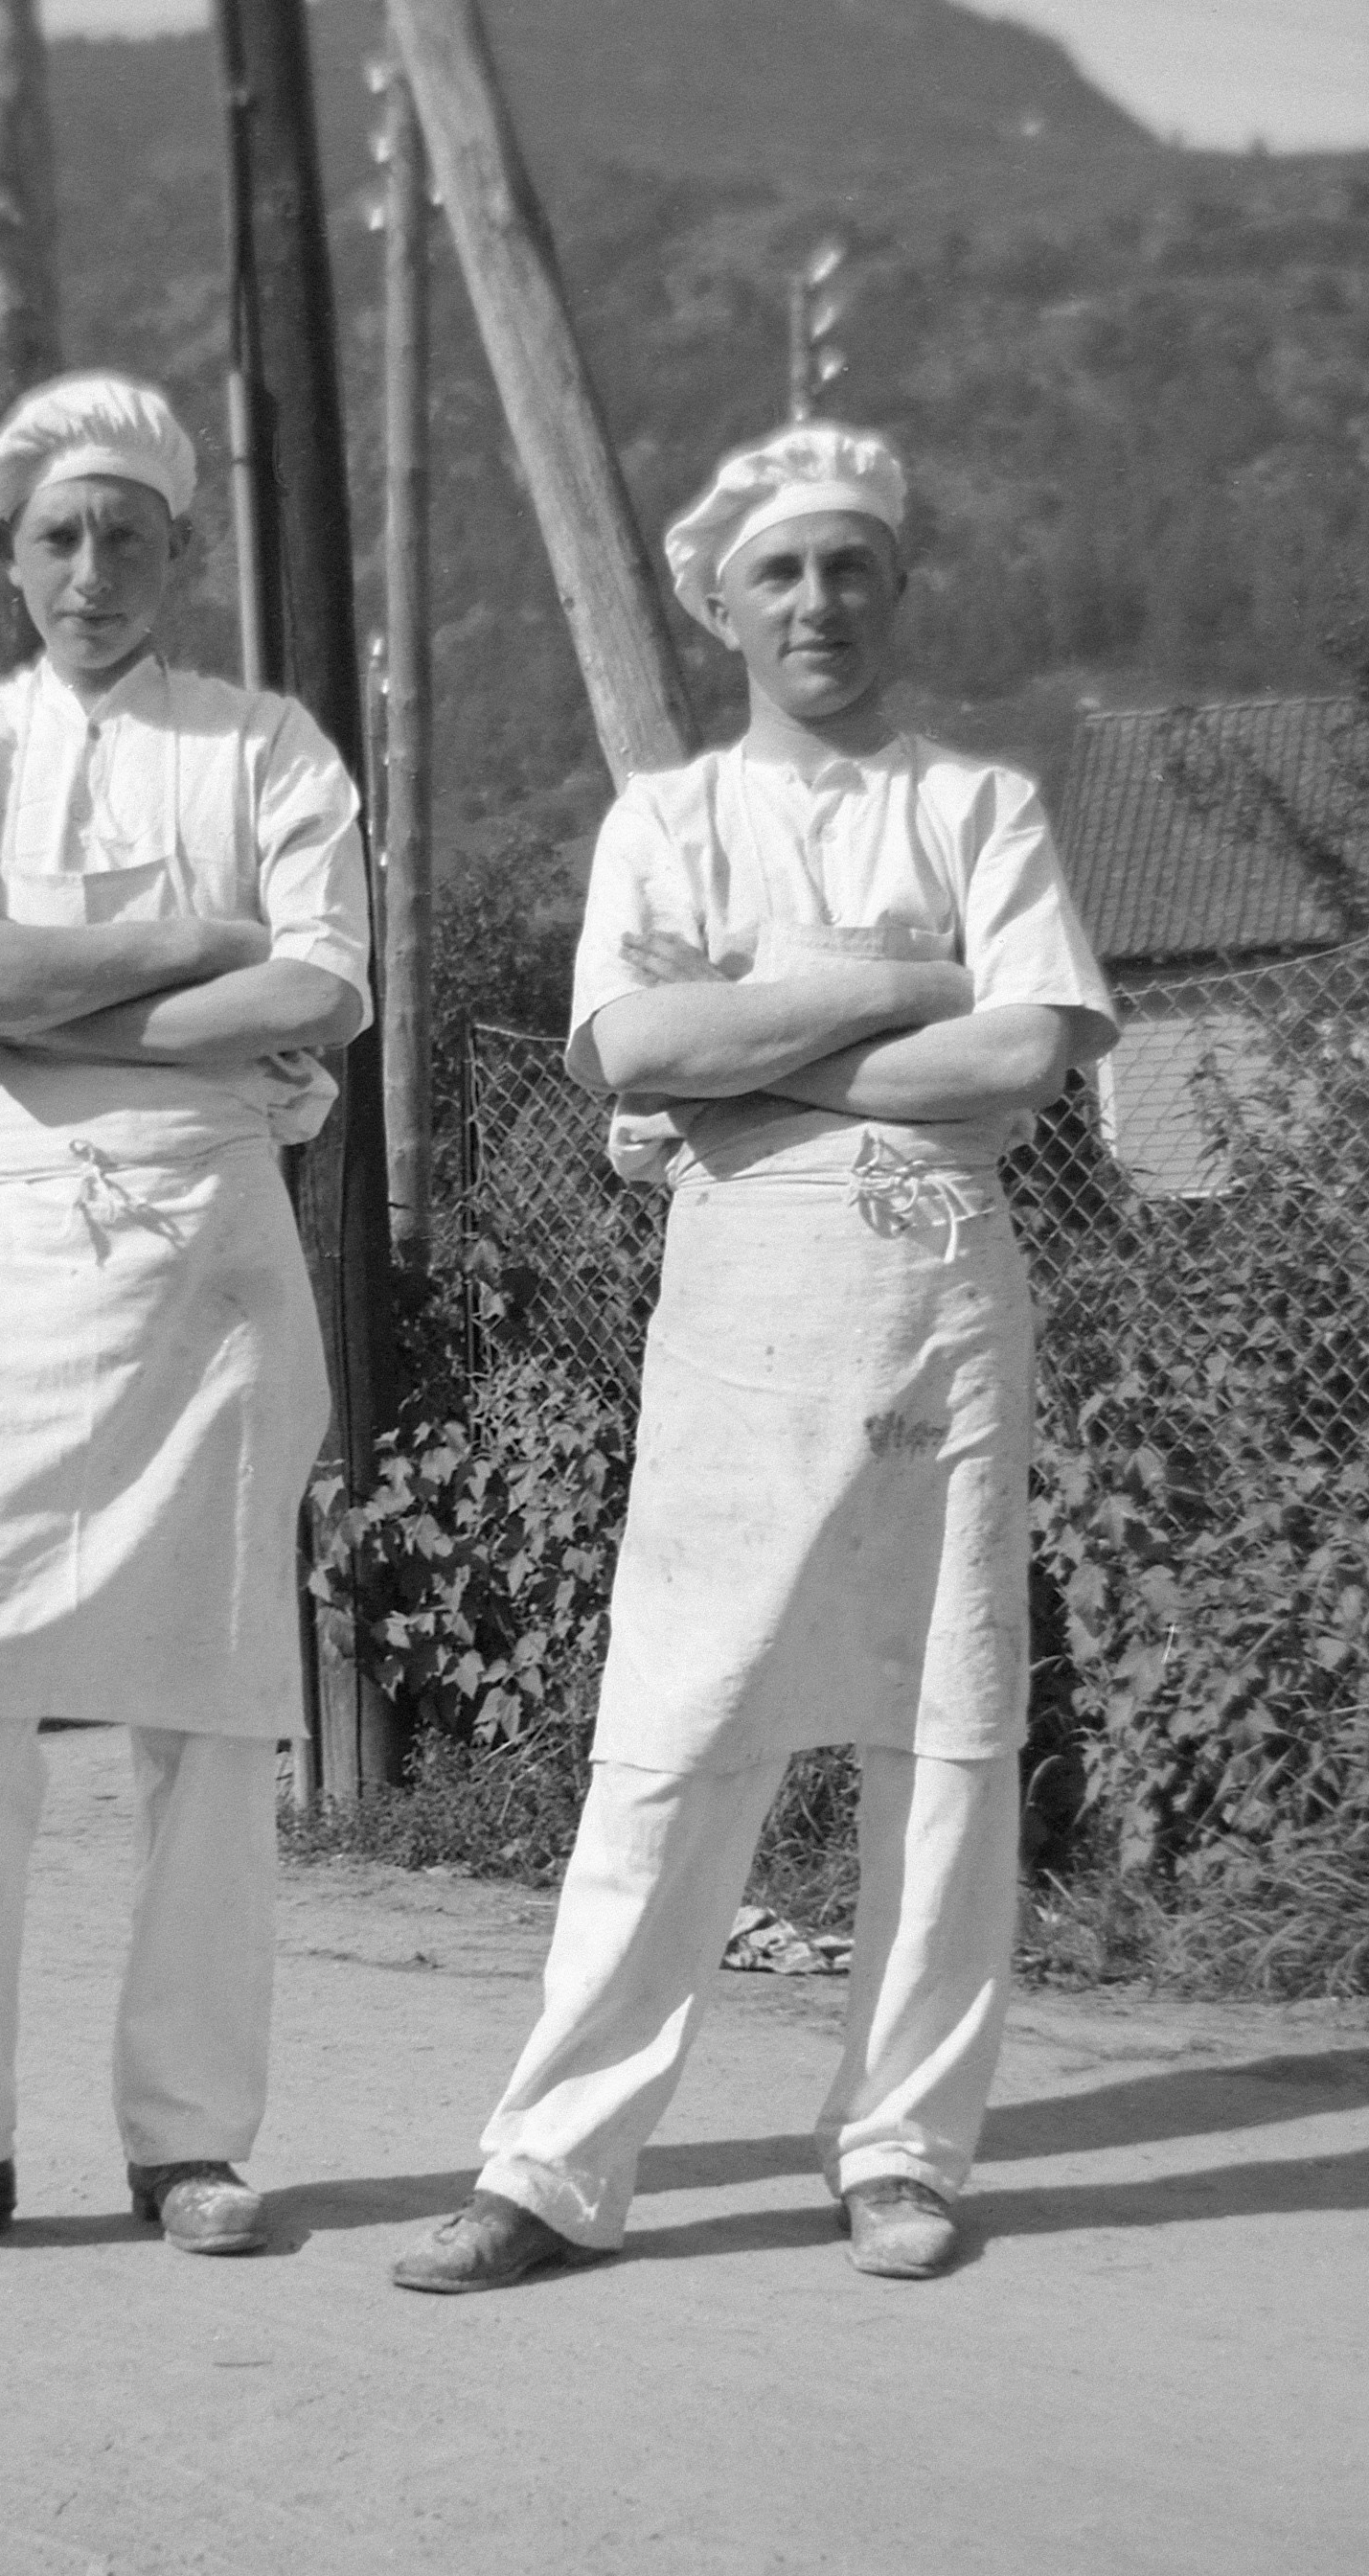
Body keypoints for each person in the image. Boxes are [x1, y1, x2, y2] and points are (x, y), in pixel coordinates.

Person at [392, 419, 1117, 2294]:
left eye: (849, 564)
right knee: (670, 1736)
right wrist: (901, 986)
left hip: (938, 1314)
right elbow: (629, 1050)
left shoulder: (980, 811)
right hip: (736, 1328)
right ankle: (552, 2166)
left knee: (944, 1733)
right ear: (725, 601)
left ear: (895, 585)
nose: (816, 601)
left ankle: (899, 2151)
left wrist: (750, 1053)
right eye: (779, 571)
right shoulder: (669, 822)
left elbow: (1021, 1060)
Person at [0, 373, 370, 2274]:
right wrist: (197, 952)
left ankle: (188, 2142)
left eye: (129, 532)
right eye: (60, 535)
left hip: (211, 1254)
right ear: (9, 562)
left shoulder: (271, 749)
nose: (94, 565)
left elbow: (330, 989)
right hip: (16, 1256)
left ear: (181, 552)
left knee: (208, 1717)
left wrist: (43, 1013)